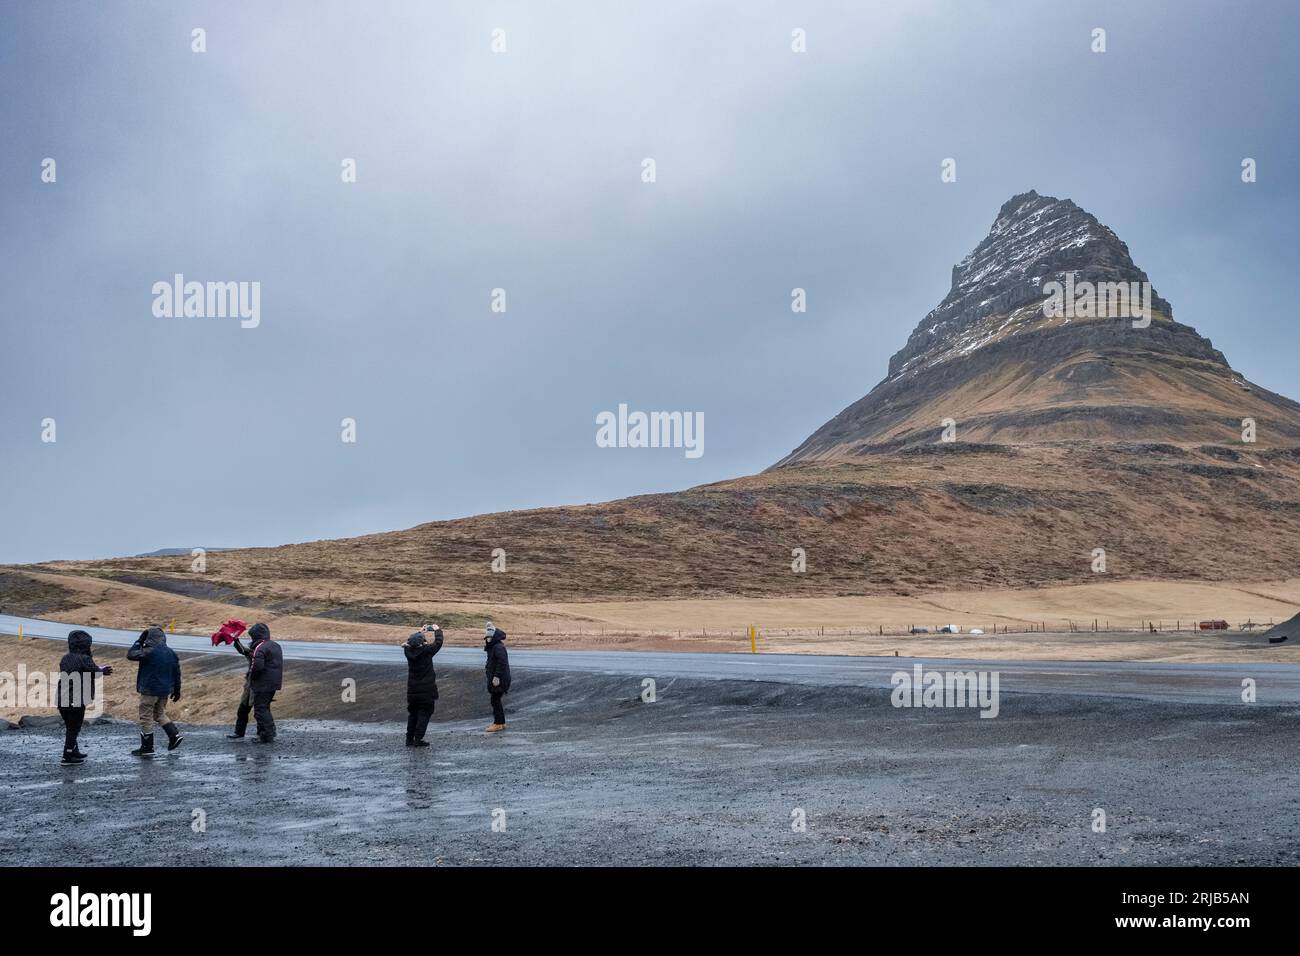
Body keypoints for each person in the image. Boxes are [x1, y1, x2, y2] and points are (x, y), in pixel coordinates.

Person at [56, 629, 113, 764]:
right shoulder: (84, 658)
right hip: (75, 699)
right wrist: (103, 670)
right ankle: (68, 755)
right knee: (74, 727)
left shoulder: (65, 658)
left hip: (61, 697)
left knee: (71, 726)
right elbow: (96, 672)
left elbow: (83, 671)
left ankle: (73, 750)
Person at [126, 626, 182, 757]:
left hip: (150, 689)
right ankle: (174, 735)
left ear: (149, 638)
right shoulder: (171, 652)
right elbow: (177, 672)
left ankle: (147, 747)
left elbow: (131, 655)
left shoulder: (149, 651)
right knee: (159, 713)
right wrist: (177, 690)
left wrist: (139, 641)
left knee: (146, 716)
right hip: (165, 690)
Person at [403, 623, 445, 747]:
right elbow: (438, 642)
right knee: (424, 713)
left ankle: (409, 739)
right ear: (422, 643)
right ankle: (418, 739)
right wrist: (437, 630)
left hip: (412, 691)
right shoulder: (426, 651)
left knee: (413, 715)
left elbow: (410, 641)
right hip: (426, 691)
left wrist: (420, 632)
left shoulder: (408, 651)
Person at [240, 622, 283, 743]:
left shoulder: (260, 647)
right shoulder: (275, 645)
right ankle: (266, 733)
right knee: (265, 708)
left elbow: (257, 666)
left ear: (256, 636)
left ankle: (266, 735)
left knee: (260, 709)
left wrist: (252, 677)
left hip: (262, 684)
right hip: (274, 683)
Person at [483, 621, 511, 733]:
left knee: (495, 700)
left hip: (500, 679)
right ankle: (501, 722)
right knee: (496, 700)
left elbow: (502, 662)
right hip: (498, 678)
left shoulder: (498, 647)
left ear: (494, 637)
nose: (487, 639)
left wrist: (496, 677)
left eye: (489, 637)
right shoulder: (493, 647)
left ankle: (498, 723)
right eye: (486, 637)